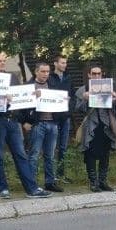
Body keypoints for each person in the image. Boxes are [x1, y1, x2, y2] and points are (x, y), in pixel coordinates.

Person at [0, 53, 50, 199]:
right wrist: (2, 97)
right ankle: (3, 189)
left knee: (21, 155)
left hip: (13, 120)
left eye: (4, 61)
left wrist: (31, 96)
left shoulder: (13, 77)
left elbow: (21, 98)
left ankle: (32, 189)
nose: (2, 63)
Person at [76, 65, 116, 191]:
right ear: (89, 75)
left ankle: (103, 181)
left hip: (106, 125)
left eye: (99, 73)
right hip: (91, 126)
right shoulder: (83, 89)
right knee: (90, 154)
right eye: (94, 73)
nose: (97, 76)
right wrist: (85, 98)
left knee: (105, 154)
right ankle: (93, 182)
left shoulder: (108, 88)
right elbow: (78, 109)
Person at [23, 62, 62, 193]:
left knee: (50, 155)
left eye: (47, 71)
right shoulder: (29, 86)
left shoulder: (53, 84)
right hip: (37, 124)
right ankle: (32, 184)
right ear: (36, 72)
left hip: (52, 123)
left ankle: (50, 182)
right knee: (34, 155)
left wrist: (64, 101)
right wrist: (25, 121)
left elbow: (60, 99)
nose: (46, 74)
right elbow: (22, 106)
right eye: (43, 71)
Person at [49, 54, 73, 183]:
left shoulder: (68, 78)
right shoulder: (50, 78)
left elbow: (72, 95)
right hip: (53, 117)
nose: (65, 65)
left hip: (65, 116)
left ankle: (61, 173)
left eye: (65, 63)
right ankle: (51, 175)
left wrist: (70, 109)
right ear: (55, 64)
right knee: (52, 146)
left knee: (63, 147)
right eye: (62, 63)